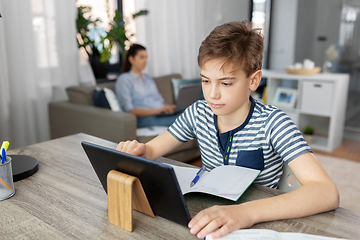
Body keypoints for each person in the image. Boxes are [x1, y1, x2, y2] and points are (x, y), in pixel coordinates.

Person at [116, 22, 339, 239]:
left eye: (226, 83)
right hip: (210, 218)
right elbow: (153, 149)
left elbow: (326, 192)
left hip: (260, 225)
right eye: (205, 81)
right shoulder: (198, 113)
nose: (212, 94)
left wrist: (245, 213)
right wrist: (139, 150)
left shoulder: (274, 123)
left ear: (253, 81)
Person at [115, 43, 181, 128]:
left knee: (188, 113)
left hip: (160, 114)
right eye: (142, 57)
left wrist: (168, 107)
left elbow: (159, 99)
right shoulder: (124, 79)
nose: (145, 60)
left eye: (146, 57)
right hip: (145, 118)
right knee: (186, 120)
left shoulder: (147, 77)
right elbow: (130, 110)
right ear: (131, 59)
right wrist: (157, 110)